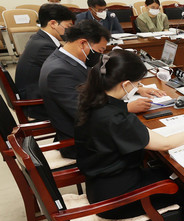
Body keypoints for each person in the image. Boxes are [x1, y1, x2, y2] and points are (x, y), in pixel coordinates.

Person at [74, 50, 184, 221]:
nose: (137, 87)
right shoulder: (115, 118)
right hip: (118, 199)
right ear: (125, 84)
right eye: (137, 84)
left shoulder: (93, 100)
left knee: (167, 170)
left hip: (101, 185)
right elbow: (165, 144)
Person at [39, 20, 164, 158]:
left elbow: (95, 85)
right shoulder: (58, 72)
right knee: (150, 144)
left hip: (91, 130)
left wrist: (135, 88)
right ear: (83, 43)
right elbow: (83, 112)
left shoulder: (69, 60)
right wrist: (127, 107)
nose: (100, 55)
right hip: (83, 142)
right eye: (100, 51)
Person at [14, 3, 76, 120]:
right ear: (53, 23)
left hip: (39, 92)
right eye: (68, 26)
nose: (70, 30)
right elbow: (70, 68)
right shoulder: (44, 46)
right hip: (37, 103)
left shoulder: (39, 38)